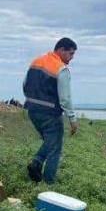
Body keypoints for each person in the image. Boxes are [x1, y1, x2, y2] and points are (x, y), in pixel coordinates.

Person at [23, 37, 78, 184]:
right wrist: (72, 119)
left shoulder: (36, 61)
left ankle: (36, 170)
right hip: (50, 114)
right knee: (55, 147)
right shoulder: (61, 68)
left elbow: (25, 84)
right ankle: (48, 182)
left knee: (49, 142)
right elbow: (65, 98)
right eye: (70, 54)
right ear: (61, 50)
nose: (71, 58)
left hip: (32, 111)